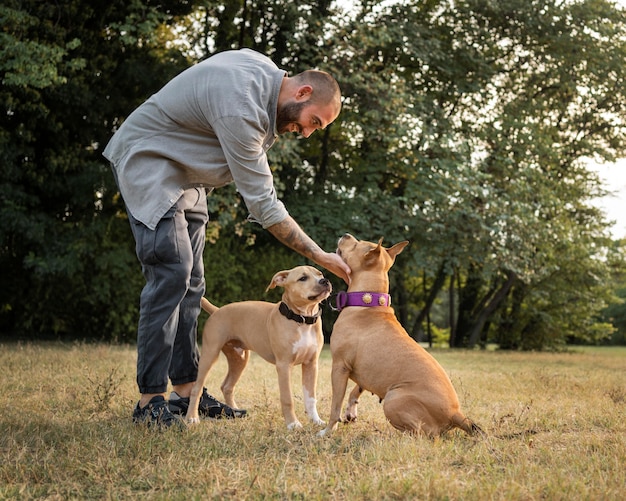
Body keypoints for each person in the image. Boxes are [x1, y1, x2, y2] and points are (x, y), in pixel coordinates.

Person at [103, 48, 351, 428]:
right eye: (313, 122)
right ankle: (149, 401)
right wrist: (320, 256)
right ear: (301, 93)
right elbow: (265, 206)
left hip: (189, 178)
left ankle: (187, 392)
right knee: (172, 273)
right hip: (150, 162)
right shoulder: (242, 110)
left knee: (192, 283)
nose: (305, 132)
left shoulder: (264, 72)